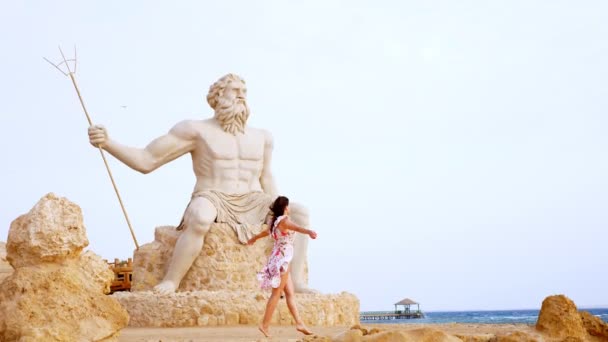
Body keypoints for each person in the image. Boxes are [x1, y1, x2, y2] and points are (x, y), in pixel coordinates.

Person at [87, 73, 315, 294]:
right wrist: (108, 143)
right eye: (235, 91)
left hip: (254, 199)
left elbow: (266, 175)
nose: (241, 96)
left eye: (244, 92)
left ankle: (297, 281)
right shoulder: (196, 130)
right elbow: (147, 160)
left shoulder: (262, 136)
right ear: (218, 97)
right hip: (213, 196)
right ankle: (172, 281)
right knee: (200, 217)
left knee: (300, 213)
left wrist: (279, 209)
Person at [246, 196, 317, 337]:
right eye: (288, 206)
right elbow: (296, 227)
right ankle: (264, 325)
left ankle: (299, 323)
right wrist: (309, 232)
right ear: (285, 207)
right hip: (282, 261)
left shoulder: (274, 221)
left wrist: (254, 238)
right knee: (276, 293)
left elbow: (265, 233)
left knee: (290, 293)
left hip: (277, 258)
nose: (289, 208)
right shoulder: (284, 221)